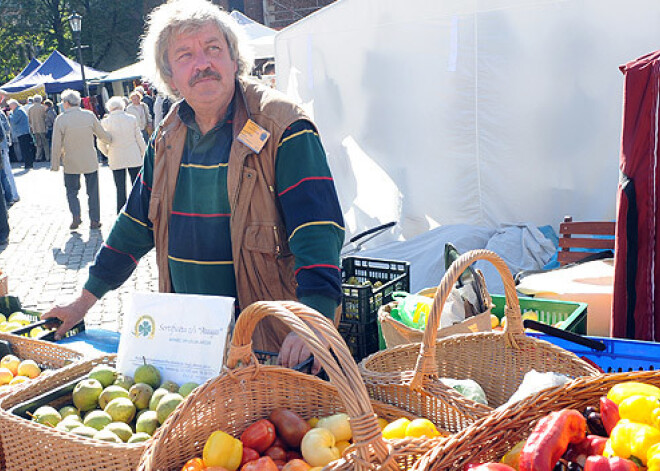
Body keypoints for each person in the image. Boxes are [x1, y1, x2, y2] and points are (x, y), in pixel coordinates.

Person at [43, 0, 345, 373]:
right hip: (191, 342)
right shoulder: (168, 135)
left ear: (235, 60)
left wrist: (314, 318)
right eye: (185, 55)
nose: (202, 63)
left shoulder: (282, 125)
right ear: (170, 78)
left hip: (268, 344)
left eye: (213, 49)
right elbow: (135, 226)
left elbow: (317, 229)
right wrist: (83, 302)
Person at [50, 89, 112, 230]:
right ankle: (95, 220)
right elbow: (102, 134)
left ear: (66, 103)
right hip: (89, 159)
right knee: (93, 191)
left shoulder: (61, 119)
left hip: (70, 161)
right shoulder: (89, 115)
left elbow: (56, 144)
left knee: (72, 191)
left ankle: (76, 216)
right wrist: (112, 140)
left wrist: (55, 164)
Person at [97, 96, 146, 213]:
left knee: (120, 187)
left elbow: (100, 142)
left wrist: (108, 153)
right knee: (136, 185)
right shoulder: (131, 119)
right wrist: (143, 152)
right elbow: (139, 138)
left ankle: (121, 210)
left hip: (116, 155)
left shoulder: (105, 122)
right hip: (133, 154)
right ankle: (138, 209)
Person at [7, 99, 34, 169]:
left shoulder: (18, 111)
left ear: (14, 105)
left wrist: (9, 115)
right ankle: (28, 164)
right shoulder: (19, 110)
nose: (9, 107)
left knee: (24, 149)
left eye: (10, 105)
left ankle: (27, 164)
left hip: (22, 132)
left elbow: (13, 121)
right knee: (26, 148)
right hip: (23, 132)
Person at [0, 111, 18, 205]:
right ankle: (12, 196)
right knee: (6, 173)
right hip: (3, 146)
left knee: (5, 173)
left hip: (2, 147)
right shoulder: (1, 113)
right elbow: (7, 129)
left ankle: (11, 196)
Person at [28, 95, 49, 162]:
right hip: (43, 128)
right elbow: (46, 117)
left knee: (38, 144)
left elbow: (29, 119)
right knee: (45, 144)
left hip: (34, 128)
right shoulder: (43, 108)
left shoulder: (30, 109)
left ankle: (38, 157)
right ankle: (47, 157)